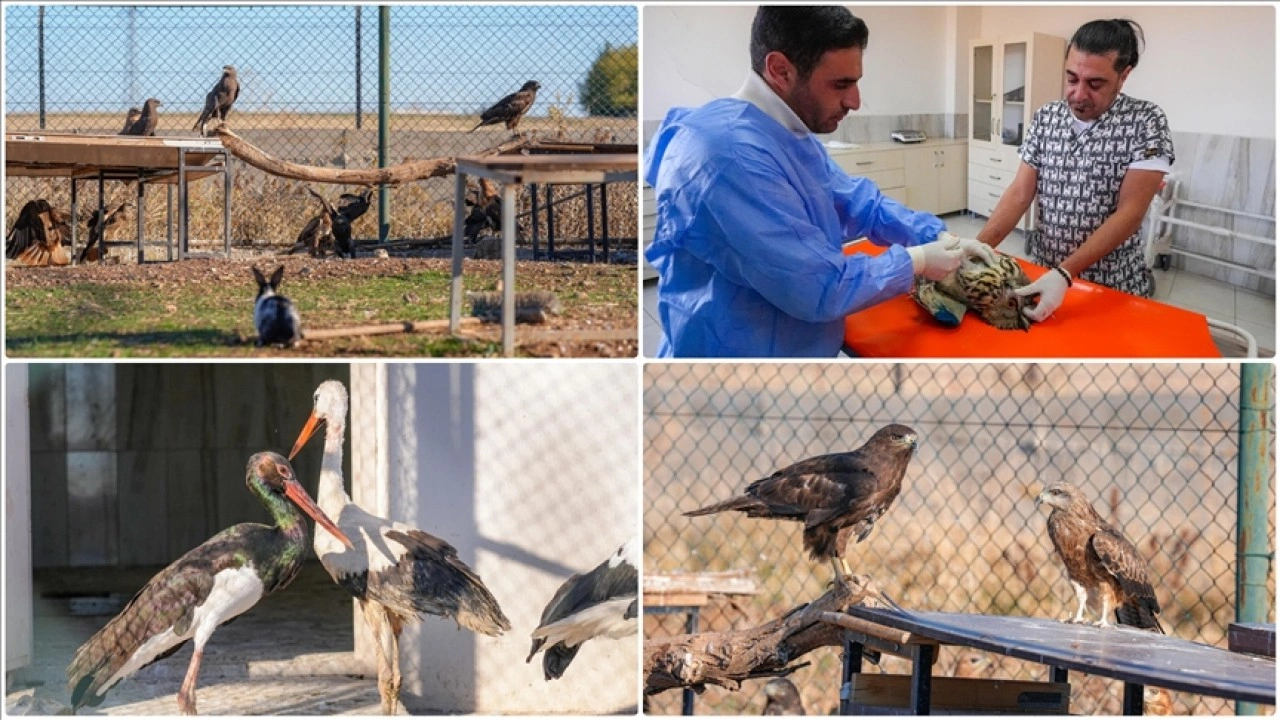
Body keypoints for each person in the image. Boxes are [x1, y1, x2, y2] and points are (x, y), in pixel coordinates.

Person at [645, 6, 993, 358]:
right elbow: (819, 286)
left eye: (856, 82)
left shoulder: (786, 129)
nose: (855, 101)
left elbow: (856, 201)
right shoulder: (728, 156)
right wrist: (915, 261)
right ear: (780, 70)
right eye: (841, 84)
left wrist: (936, 236)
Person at [977, 19, 1174, 322]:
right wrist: (977, 249)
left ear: (1124, 76)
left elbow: (1130, 212)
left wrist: (1066, 273)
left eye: (1095, 84)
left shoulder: (1145, 122)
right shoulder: (1047, 117)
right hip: (1044, 276)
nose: (1079, 94)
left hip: (1111, 285)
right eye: (1071, 79)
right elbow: (1019, 193)